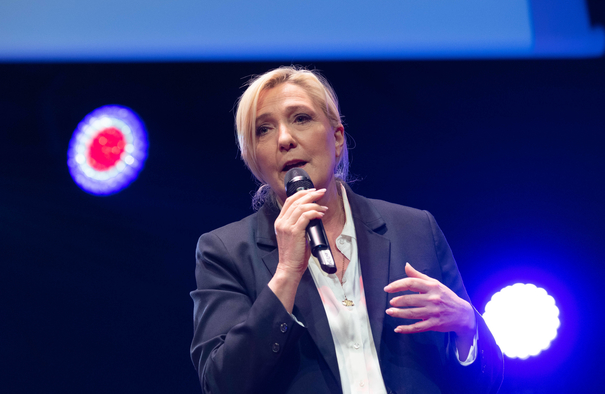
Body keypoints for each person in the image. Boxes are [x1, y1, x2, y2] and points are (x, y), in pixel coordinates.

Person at [190, 66, 503, 394]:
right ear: (252, 158)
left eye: (301, 118)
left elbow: (485, 383)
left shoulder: (414, 229)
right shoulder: (225, 251)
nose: (284, 139)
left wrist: (467, 326)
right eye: (263, 129)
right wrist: (285, 276)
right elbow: (222, 384)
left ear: (337, 138)